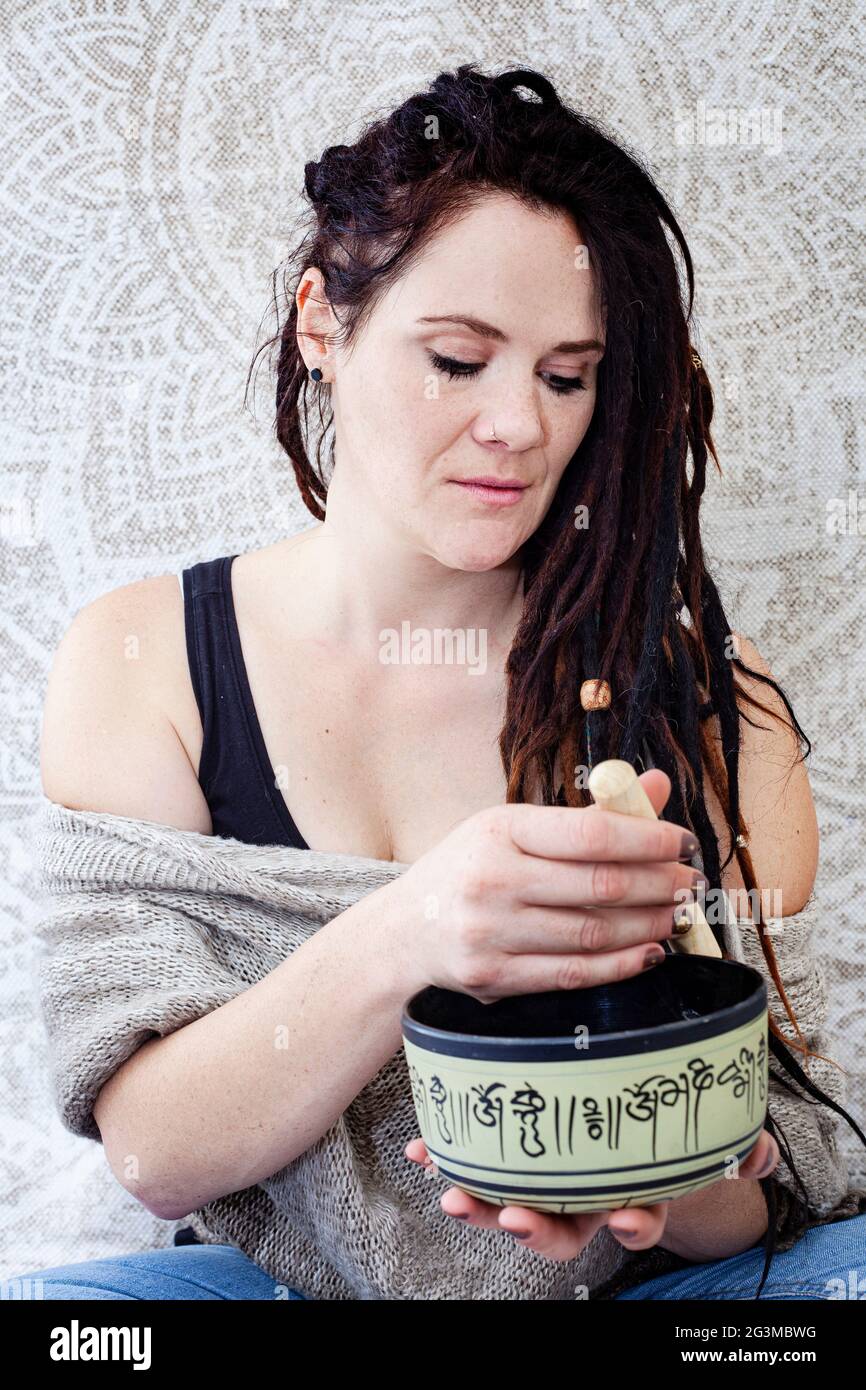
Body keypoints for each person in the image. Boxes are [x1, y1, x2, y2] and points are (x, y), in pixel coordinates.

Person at [16, 62, 865, 1300]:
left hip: (638, 1296)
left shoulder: (711, 707)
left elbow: (739, 1203)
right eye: (458, 359)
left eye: (565, 376)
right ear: (322, 323)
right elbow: (156, 1151)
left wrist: (645, 1176)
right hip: (275, 1287)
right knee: (68, 1320)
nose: (517, 424)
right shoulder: (148, 663)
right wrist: (414, 930)